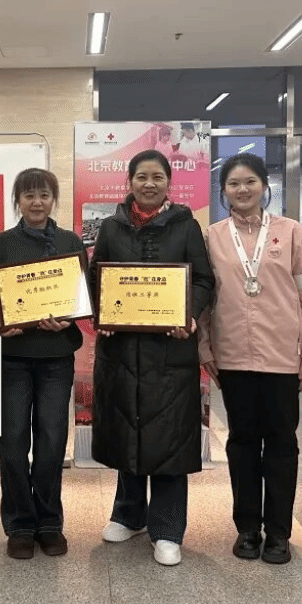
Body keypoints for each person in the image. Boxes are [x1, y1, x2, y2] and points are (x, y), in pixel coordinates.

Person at [88, 149, 215, 567]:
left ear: (168, 183)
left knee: (169, 438)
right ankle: (128, 514)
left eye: (157, 177)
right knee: (128, 427)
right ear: (129, 182)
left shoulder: (186, 225)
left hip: (170, 348)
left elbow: (202, 279)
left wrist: (189, 315)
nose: (149, 183)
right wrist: (103, 314)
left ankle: (167, 528)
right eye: (141, 176)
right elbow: (97, 276)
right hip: (122, 348)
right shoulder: (111, 226)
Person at [197, 153, 302, 565]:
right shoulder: (212, 237)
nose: (243, 189)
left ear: (264, 186)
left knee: (282, 444)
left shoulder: (292, 233)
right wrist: (204, 347)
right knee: (242, 444)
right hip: (233, 356)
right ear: (224, 191)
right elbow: (204, 299)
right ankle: (248, 529)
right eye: (234, 183)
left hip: (282, 356)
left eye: (250, 181)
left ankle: (280, 533)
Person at [0, 168, 85, 560]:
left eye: (43, 195)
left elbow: (82, 295)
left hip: (56, 357)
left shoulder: (70, 242)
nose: (36, 202)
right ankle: (20, 524)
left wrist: (68, 318)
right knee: (12, 442)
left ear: (53, 199)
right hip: (12, 358)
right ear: (18, 201)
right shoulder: (1, 244)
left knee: (52, 442)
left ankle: (50, 522)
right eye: (29, 195)